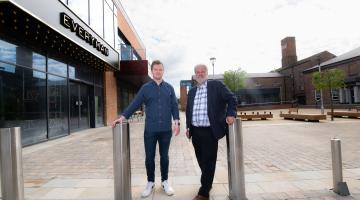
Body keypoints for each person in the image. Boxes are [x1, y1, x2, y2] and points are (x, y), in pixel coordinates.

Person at [112, 60, 180, 198]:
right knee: (149, 158)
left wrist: (177, 122)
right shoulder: (145, 88)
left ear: (163, 71)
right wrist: (123, 117)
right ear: (152, 71)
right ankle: (150, 182)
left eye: (160, 69)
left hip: (166, 130)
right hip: (150, 130)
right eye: (155, 69)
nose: (158, 72)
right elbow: (135, 103)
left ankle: (165, 182)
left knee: (164, 157)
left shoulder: (170, 88)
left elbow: (174, 105)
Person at [185, 64, 237, 200]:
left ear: (207, 73)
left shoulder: (216, 86)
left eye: (203, 71)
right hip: (195, 131)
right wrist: (188, 127)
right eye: (197, 72)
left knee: (209, 161)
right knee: (201, 159)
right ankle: (208, 181)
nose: (200, 74)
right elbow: (189, 111)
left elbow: (232, 98)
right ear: (195, 75)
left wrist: (231, 114)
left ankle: (204, 192)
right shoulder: (192, 92)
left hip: (210, 131)